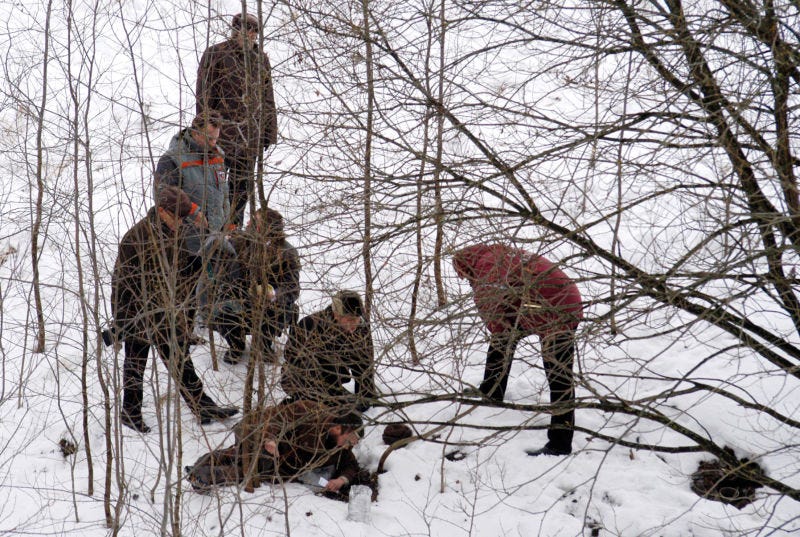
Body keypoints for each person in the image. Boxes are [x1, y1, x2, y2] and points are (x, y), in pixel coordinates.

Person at [110, 186, 238, 433]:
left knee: (181, 362)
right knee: (135, 364)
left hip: (165, 312)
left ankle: (203, 408)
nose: (180, 222)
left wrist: (203, 260)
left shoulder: (172, 231)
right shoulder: (136, 238)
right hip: (138, 313)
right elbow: (123, 284)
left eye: (182, 217)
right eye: (176, 217)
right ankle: (130, 413)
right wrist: (125, 321)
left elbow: (181, 272)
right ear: (161, 211)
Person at [453, 243, 583, 456]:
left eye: (466, 276)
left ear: (467, 266)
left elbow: (492, 311)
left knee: (559, 375)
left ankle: (560, 443)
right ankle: (492, 390)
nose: (467, 281)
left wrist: (500, 328)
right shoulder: (497, 254)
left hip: (558, 307)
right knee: (503, 339)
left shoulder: (487, 267)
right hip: (548, 300)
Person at [196, 12, 278, 227]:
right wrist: (205, 130)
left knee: (242, 189)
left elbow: (267, 96)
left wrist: (268, 133)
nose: (250, 34)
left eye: (254, 31)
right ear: (235, 30)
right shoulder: (216, 53)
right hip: (219, 138)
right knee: (215, 187)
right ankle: (213, 230)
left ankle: (235, 231)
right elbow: (204, 96)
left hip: (250, 139)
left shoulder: (260, 58)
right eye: (245, 29)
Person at [186, 399, 365, 495]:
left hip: (277, 465)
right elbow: (276, 417)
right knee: (240, 461)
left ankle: (199, 475)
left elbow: (351, 466)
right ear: (338, 428)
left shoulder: (339, 448)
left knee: (247, 472)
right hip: (259, 435)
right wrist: (270, 439)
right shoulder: (311, 412)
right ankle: (198, 472)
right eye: (349, 439)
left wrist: (341, 480)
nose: (349, 446)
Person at [198, 207, 300, 364]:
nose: (248, 223)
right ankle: (236, 345)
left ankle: (264, 345)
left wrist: (273, 293)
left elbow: (292, 288)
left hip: (270, 305)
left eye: (254, 221)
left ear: (264, 228)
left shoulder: (287, 252)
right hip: (241, 298)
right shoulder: (239, 242)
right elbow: (216, 252)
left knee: (275, 309)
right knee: (222, 307)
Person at [281, 291, 377, 411]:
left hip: (335, 377)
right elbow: (290, 354)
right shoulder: (311, 323)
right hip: (300, 378)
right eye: (350, 319)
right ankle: (308, 402)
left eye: (357, 319)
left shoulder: (361, 327)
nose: (354, 324)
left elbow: (365, 361)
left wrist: (365, 395)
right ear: (336, 315)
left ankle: (334, 398)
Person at [154, 111, 230, 232]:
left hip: (216, 234)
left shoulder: (218, 155)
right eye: (210, 139)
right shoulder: (172, 158)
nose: (213, 144)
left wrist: (228, 221)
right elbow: (164, 195)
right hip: (187, 235)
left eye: (216, 139)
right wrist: (193, 212)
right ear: (196, 133)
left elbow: (224, 191)